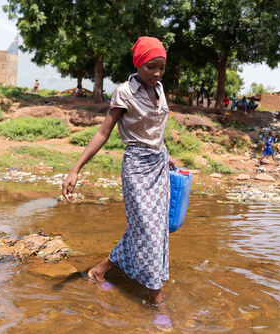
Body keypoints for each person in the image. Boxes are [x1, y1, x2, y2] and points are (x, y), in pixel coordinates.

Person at [62, 36, 175, 331]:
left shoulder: (160, 89)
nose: (157, 74)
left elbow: (156, 130)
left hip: (159, 165)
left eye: (162, 68)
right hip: (137, 167)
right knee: (148, 231)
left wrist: (169, 156)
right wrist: (75, 169)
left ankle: (98, 271)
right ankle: (157, 300)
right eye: (152, 67)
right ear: (138, 63)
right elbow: (103, 132)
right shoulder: (124, 92)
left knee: (153, 229)